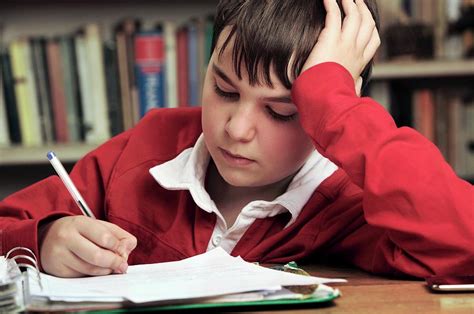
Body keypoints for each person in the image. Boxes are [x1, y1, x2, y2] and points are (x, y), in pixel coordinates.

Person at [1, 0, 472, 279]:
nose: (237, 128)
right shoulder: (147, 147)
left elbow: (465, 241)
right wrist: (42, 240)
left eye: (283, 111)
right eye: (225, 90)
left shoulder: (349, 199)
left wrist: (333, 101)